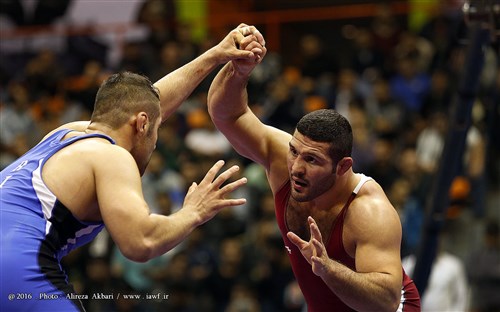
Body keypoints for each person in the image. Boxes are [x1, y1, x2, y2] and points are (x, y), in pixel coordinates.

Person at [0, 24, 265, 311]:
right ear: (141, 125)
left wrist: (215, 55)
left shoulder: (67, 133)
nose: (154, 141)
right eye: (156, 130)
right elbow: (141, 242)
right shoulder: (112, 156)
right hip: (15, 268)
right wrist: (193, 212)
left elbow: (151, 103)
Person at [207, 27, 420, 311]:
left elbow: (386, 300)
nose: (296, 167)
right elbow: (227, 114)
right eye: (294, 151)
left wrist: (328, 269)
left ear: (343, 167)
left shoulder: (368, 211)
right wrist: (239, 70)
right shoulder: (283, 160)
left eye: (312, 160)